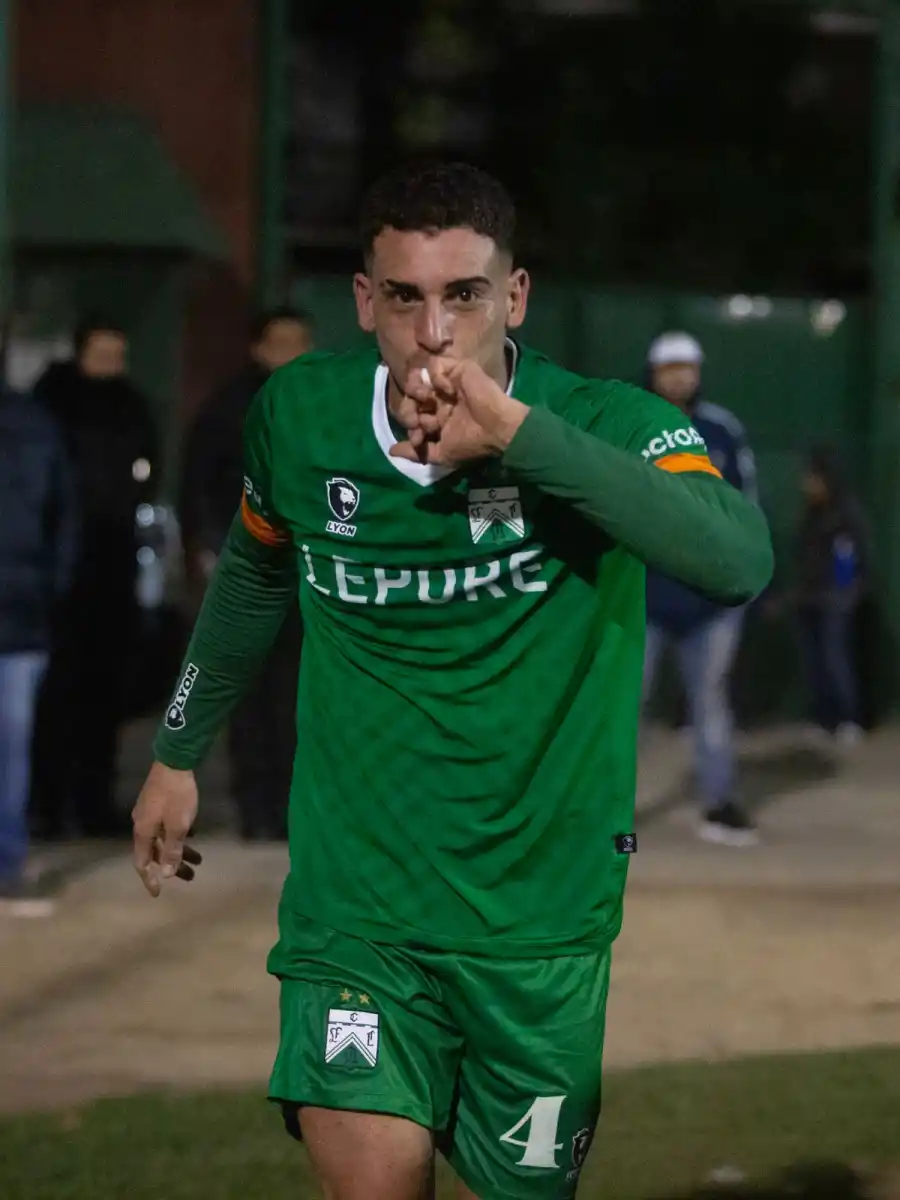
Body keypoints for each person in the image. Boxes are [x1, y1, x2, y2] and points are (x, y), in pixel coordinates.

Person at [131, 162, 773, 1200]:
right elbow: (254, 574)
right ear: (364, 302)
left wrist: (522, 441)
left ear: (512, 298)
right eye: (405, 298)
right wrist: (176, 752)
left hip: (539, 925)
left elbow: (736, 560)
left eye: (464, 296)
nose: (435, 332)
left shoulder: (600, 423)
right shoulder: (298, 418)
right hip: (358, 911)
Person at [179, 308, 314, 840]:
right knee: (250, 693)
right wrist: (211, 551)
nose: (291, 354)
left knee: (298, 691)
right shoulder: (228, 408)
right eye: (281, 343)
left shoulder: (321, 406)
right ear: (258, 348)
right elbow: (198, 485)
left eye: (300, 342)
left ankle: (289, 806)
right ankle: (256, 807)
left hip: (308, 570)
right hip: (249, 571)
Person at [31, 320, 158, 839]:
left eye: (118, 351)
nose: (111, 361)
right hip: (61, 569)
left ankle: (92, 800)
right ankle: (48, 804)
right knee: (56, 693)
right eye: (102, 351)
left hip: (113, 563)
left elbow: (149, 469)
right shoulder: (52, 403)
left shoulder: (130, 403)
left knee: (104, 695)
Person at [641, 331, 761, 847]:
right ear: (653, 373)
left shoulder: (721, 429)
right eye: (669, 367)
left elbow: (747, 506)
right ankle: (608, 822)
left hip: (709, 599)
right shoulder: (631, 423)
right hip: (642, 596)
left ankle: (719, 804)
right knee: (623, 709)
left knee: (710, 703)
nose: (678, 375)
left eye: (686, 366)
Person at [0, 383, 78, 909]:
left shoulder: (35, 425)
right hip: (25, 608)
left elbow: (64, 514)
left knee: (12, 748)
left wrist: (52, 584)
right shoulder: (37, 424)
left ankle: (7, 861)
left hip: (21, 613)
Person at [794, 444, 868, 747]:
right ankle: (824, 720)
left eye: (812, 478)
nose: (807, 484)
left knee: (835, 658)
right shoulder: (810, 515)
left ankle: (850, 719)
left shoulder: (846, 514)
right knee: (816, 662)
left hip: (837, 599)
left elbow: (856, 559)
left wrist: (846, 592)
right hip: (811, 598)